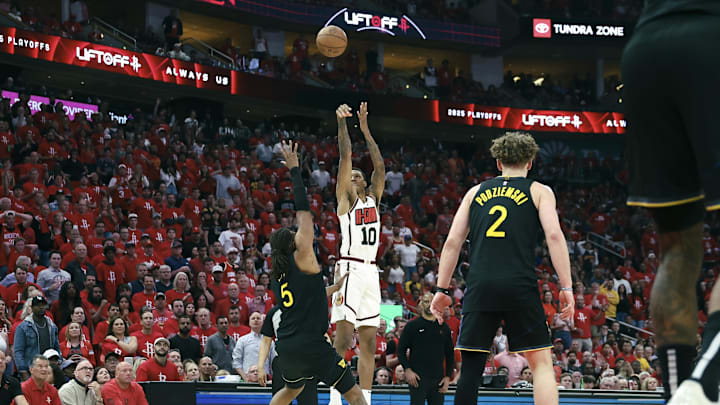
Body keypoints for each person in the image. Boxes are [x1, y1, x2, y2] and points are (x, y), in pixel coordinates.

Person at [430, 132, 574, 405]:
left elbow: (451, 243)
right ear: (530, 162)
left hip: (481, 284)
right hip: (520, 283)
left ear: (498, 162)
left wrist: (441, 289)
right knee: (541, 364)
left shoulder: (474, 193)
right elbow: (554, 236)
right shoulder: (539, 191)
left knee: (471, 367)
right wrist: (566, 286)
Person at [621, 5, 720, 403]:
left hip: (645, 48)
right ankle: (704, 385)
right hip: (711, 36)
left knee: (676, 252)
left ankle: (678, 393)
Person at [267, 140, 366, 405]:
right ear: (292, 244)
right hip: (311, 345)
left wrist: (334, 287)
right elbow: (304, 213)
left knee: (291, 390)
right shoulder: (303, 256)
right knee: (354, 395)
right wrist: (295, 170)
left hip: (286, 346)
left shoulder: (279, 273)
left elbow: (308, 295)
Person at [330, 102, 385, 405]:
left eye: (357, 177)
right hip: (349, 268)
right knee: (342, 339)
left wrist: (365, 129)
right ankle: (336, 399)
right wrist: (343, 125)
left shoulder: (373, 197)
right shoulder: (345, 200)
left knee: (368, 342)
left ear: (365, 182)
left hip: (371, 272)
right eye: (349, 177)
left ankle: (364, 398)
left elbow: (380, 166)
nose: (352, 179)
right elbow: (345, 155)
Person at [398, 292, 454, 405]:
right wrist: (407, 370)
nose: (429, 305)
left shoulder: (444, 327)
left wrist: (448, 377)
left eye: (432, 301)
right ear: (421, 304)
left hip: (438, 380)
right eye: (426, 302)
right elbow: (401, 350)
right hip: (417, 379)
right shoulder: (412, 326)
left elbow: (450, 354)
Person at [14, 295, 61, 380]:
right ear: (32, 308)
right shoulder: (23, 327)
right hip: (31, 371)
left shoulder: (52, 326)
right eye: (37, 305)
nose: (41, 307)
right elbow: (18, 352)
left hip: (49, 369)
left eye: (43, 305)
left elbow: (56, 347)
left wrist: (59, 361)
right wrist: (23, 371)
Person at [232, 312, 271, 381]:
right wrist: (245, 377)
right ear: (249, 323)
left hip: (265, 379)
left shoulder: (269, 341)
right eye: (253, 318)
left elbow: (273, 362)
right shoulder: (242, 340)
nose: (256, 320)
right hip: (247, 379)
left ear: (263, 322)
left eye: (258, 318)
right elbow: (236, 361)